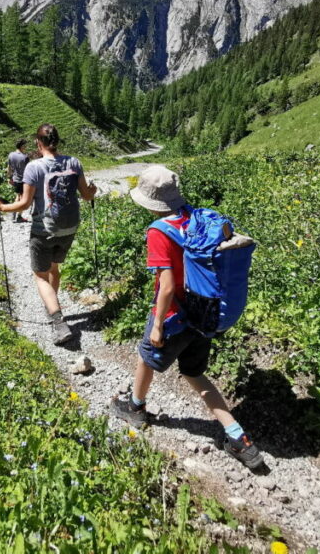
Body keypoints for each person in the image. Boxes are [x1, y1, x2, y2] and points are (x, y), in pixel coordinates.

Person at [110, 165, 264, 469]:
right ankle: (237, 436)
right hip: (203, 312)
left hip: (175, 314)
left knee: (146, 356)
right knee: (193, 373)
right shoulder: (197, 218)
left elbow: (166, 285)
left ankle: (135, 407)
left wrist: (157, 326)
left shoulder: (158, 231)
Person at [0, 124, 97, 345]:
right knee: (53, 269)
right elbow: (87, 195)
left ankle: (58, 322)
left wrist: (1, 208)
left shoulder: (34, 167)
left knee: (40, 276)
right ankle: (53, 307)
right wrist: (93, 191)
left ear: (38, 143)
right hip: (69, 228)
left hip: (45, 229)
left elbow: (24, 204)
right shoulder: (74, 162)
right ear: (56, 141)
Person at [6, 139, 31, 223]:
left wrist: (9, 178)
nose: (26, 147)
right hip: (24, 180)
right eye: (25, 145)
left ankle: (13, 214)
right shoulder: (25, 157)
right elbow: (29, 170)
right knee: (23, 199)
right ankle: (19, 216)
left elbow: (9, 168)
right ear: (22, 146)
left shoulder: (11, 155)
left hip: (15, 179)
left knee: (18, 196)